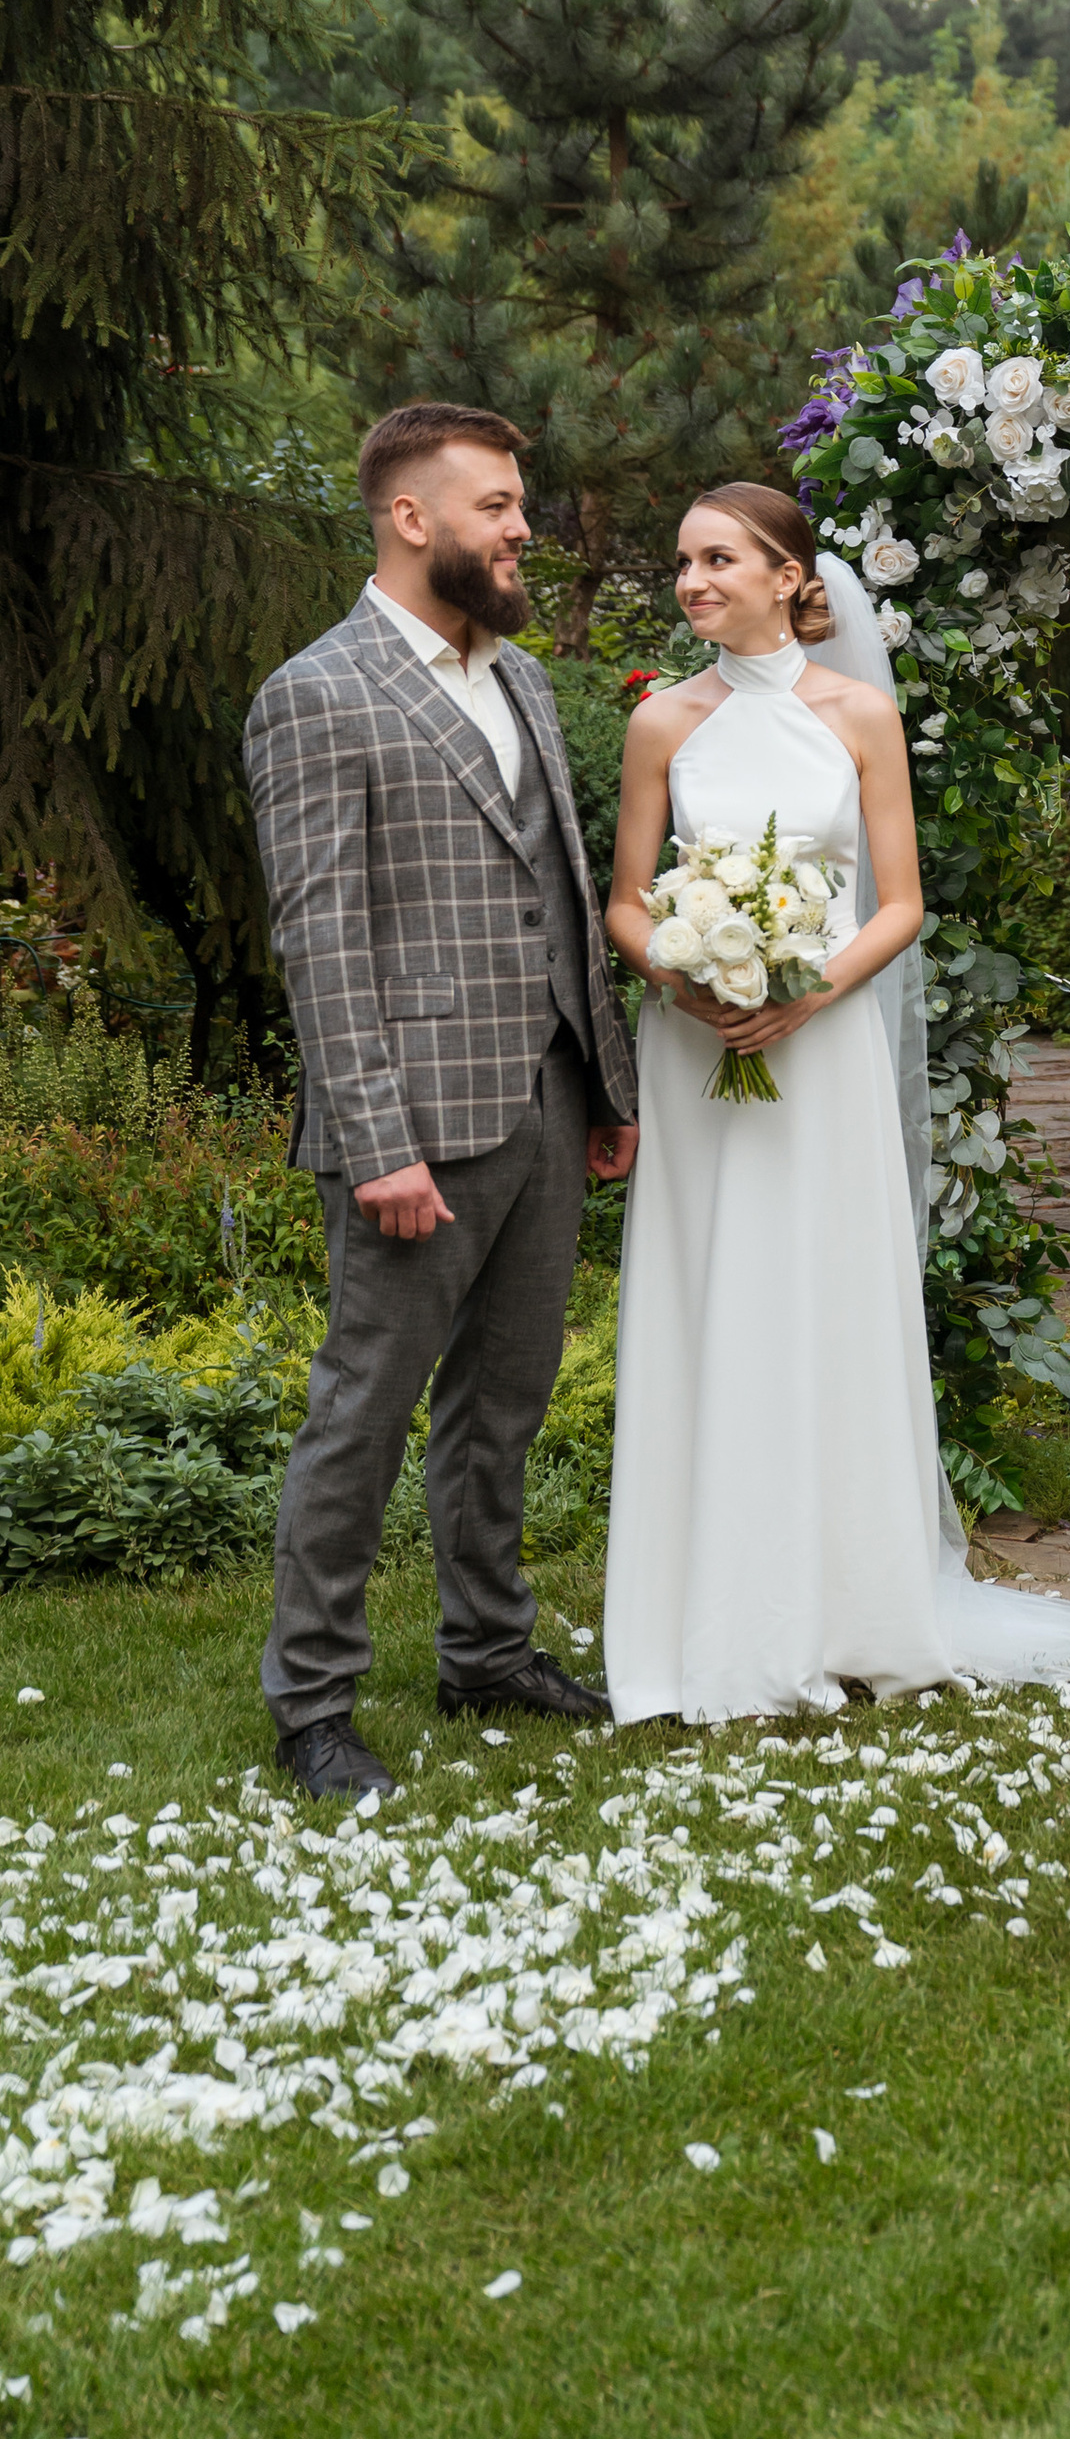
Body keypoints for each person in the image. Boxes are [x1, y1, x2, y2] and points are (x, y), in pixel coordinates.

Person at [601, 483, 1070, 1721]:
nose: (692, 582)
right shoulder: (665, 723)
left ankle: (853, 1602)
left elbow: (901, 901)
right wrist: (688, 976)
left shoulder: (860, 714)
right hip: (698, 1049)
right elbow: (628, 900)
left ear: (784, 574)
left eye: (716, 560)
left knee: (820, 1289)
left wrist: (800, 994)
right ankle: (698, 1613)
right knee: (714, 1290)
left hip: (821, 1042)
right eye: (684, 562)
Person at [245, 403, 640, 1802]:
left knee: (506, 1401)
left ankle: (486, 1649)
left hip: (540, 1095)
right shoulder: (319, 691)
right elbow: (321, 937)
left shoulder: (521, 678)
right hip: (412, 1127)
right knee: (365, 1407)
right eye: (497, 504)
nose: (523, 526)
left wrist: (605, 1079)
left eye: (518, 500)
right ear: (411, 517)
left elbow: (562, 891)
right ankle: (312, 1701)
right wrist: (374, 1140)